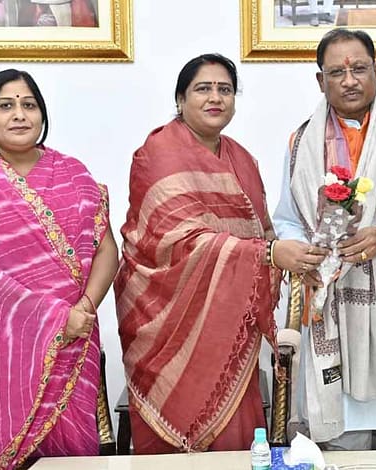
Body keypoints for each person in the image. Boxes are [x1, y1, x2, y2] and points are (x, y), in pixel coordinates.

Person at [114, 53, 324, 454]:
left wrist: (294, 260)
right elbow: (175, 242)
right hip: (166, 322)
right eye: (203, 89)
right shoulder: (157, 154)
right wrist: (270, 254)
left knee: (235, 439)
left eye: (225, 89)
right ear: (180, 99)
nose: (215, 98)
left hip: (229, 325)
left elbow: (262, 230)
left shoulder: (242, 159)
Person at [0, 69, 118, 469]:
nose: (19, 114)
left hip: (75, 338)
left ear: (42, 115)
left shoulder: (73, 175)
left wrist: (83, 308)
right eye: (6, 106)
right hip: (1, 350)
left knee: (71, 457)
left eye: (29, 105)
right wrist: (55, 318)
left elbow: (106, 250)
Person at [273, 28, 376, 450]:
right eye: (337, 72)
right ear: (321, 81)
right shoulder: (300, 142)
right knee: (340, 443)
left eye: (359, 69)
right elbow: (287, 219)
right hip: (331, 306)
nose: (349, 80)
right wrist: (304, 252)